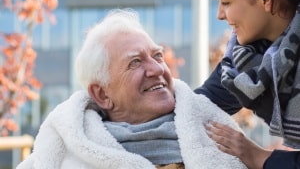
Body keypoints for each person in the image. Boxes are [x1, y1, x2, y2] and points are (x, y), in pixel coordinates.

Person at [17, 9, 246, 169]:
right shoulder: (63, 157)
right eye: (135, 62)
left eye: (158, 55)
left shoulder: (215, 135)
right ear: (103, 94)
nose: (156, 68)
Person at [194, 0, 300, 168]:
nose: (219, 15)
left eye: (226, 2)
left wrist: (258, 156)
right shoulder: (247, 57)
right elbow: (199, 103)